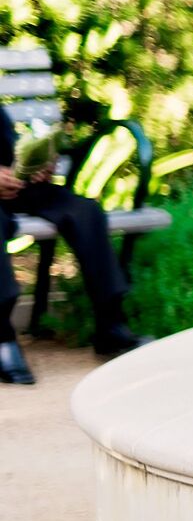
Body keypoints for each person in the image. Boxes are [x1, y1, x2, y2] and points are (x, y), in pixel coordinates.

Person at [0, 106, 152, 385]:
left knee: (84, 211)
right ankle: (2, 339)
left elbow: (11, 149)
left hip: (13, 188)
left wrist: (34, 168)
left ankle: (111, 325)